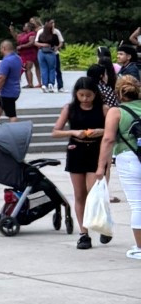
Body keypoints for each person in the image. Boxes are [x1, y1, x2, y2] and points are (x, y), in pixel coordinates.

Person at [53, 78, 108, 249]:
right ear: (76, 94)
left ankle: (102, 224)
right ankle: (84, 234)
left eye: (89, 95)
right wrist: (74, 132)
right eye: (81, 95)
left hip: (96, 152)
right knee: (79, 194)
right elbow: (55, 131)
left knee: (94, 193)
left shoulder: (103, 108)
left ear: (95, 94)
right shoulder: (69, 108)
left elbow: (114, 130)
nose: (85, 99)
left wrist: (101, 131)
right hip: (76, 150)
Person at [96, 74, 141, 262]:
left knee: (138, 205)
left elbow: (108, 139)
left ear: (118, 93)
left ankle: (140, 247)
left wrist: (101, 167)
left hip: (129, 159)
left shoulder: (116, 112)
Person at [0, 39, 23, 122]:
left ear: (4, 48)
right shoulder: (17, 58)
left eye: (0, 48)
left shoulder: (6, 61)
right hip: (16, 89)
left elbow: (1, 78)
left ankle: (14, 131)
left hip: (8, 92)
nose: (0, 51)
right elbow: (9, 68)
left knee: (11, 114)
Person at [36, 17, 64, 92]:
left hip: (42, 51)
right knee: (52, 69)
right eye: (51, 22)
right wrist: (56, 47)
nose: (53, 24)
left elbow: (36, 42)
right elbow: (59, 42)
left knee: (45, 69)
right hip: (51, 52)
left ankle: (45, 84)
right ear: (46, 23)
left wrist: (43, 45)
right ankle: (50, 84)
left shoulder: (42, 32)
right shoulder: (54, 33)